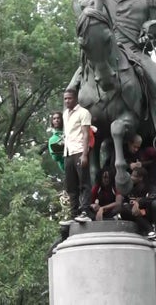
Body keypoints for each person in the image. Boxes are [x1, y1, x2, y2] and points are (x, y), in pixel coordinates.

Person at [59, 0, 156, 137]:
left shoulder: (149, 1)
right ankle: (68, 133)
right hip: (107, 48)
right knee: (72, 87)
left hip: (135, 50)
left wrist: (148, 36)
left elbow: (155, 31)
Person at [61, 89, 93, 224]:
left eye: (69, 98)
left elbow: (86, 134)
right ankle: (73, 214)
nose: (67, 101)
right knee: (71, 186)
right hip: (68, 152)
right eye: (65, 99)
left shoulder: (83, 113)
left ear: (75, 99)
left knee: (84, 183)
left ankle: (85, 211)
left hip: (80, 151)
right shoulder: (65, 114)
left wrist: (85, 154)